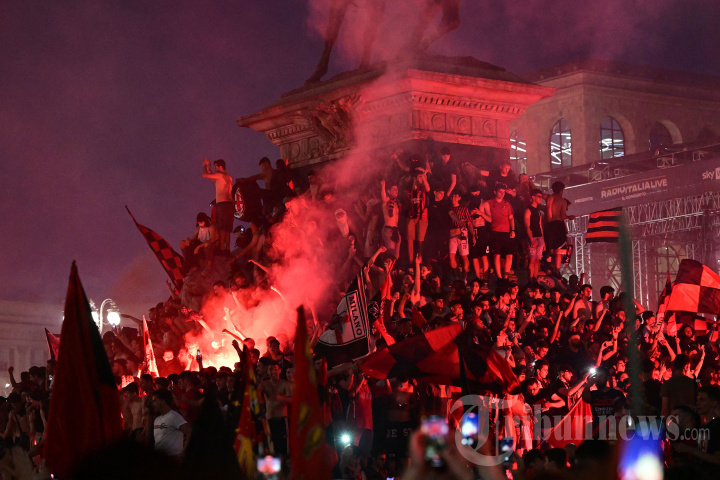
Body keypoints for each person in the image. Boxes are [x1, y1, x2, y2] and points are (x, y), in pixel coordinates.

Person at [258, 362, 293, 456]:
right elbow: (256, 397)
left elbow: (292, 400)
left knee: (283, 447)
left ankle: (283, 463)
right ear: (267, 371)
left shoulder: (286, 384)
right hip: (269, 419)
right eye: (270, 370)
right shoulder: (264, 384)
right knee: (270, 447)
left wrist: (281, 398)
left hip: (281, 419)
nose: (273, 372)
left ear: (279, 370)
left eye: (275, 369)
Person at [481, 183, 515, 279]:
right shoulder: (489, 202)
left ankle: (505, 277)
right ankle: (499, 277)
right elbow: (482, 208)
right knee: (496, 255)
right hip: (495, 232)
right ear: (495, 192)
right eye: (500, 192)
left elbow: (511, 218)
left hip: (507, 232)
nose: (502, 194)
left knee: (509, 255)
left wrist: (513, 230)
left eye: (504, 192)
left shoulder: (507, 203)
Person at [581, 366, 625, 438]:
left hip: (614, 432)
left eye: (601, 376)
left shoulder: (617, 394)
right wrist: (589, 384)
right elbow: (585, 398)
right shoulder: (593, 394)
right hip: (597, 432)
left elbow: (623, 412)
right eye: (597, 376)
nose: (598, 379)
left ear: (607, 378)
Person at [202, 158, 233, 252]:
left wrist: (204, 165)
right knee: (227, 229)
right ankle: (227, 249)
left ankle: (222, 249)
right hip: (230, 205)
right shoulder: (228, 177)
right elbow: (214, 179)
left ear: (220, 167)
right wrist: (209, 168)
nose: (214, 169)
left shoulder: (220, 175)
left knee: (222, 228)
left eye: (215, 167)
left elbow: (205, 175)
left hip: (222, 204)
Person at [544, 181, 575, 276]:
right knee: (559, 250)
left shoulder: (549, 198)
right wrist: (570, 217)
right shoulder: (562, 201)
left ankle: (549, 267)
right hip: (558, 225)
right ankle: (557, 271)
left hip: (548, 225)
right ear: (561, 190)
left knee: (550, 247)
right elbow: (562, 216)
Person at [152, 388, 191, 458]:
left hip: (173, 458)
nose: (153, 404)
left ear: (163, 401)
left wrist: (183, 453)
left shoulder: (174, 416)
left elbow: (190, 433)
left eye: (155, 401)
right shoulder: (157, 420)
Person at [447, 190, 475, 279]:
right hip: (452, 233)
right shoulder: (449, 209)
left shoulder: (464, 209)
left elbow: (469, 223)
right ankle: (457, 277)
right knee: (451, 256)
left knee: (464, 255)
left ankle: (464, 277)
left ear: (459, 198)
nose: (453, 198)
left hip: (462, 233)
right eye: (452, 196)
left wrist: (473, 235)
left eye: (455, 196)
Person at [406, 166, 430, 263]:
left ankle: (419, 261)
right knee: (409, 239)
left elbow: (428, 188)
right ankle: (411, 261)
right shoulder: (410, 189)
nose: (421, 178)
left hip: (422, 217)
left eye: (422, 177)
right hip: (411, 216)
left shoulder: (424, 189)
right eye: (419, 176)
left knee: (420, 241)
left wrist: (424, 176)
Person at [468, 183, 491, 280]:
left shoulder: (484, 203)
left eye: (476, 194)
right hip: (472, 229)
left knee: (483, 255)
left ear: (479, 192)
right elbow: (467, 220)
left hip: (481, 229)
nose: (475, 196)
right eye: (473, 194)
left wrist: (480, 213)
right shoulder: (468, 203)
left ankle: (485, 278)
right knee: (474, 256)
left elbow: (490, 219)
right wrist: (471, 214)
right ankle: (478, 278)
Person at [524, 188, 545, 283]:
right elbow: (527, 226)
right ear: (533, 197)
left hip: (539, 237)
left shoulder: (538, 211)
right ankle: (530, 280)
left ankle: (535, 279)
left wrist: (543, 241)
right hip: (532, 237)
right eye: (539, 196)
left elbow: (540, 226)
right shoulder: (528, 210)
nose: (541, 198)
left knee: (537, 260)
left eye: (541, 197)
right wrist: (531, 239)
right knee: (532, 260)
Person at [380, 179, 401, 260]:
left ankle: (394, 267)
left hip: (395, 230)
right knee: (391, 254)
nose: (396, 191)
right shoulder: (387, 201)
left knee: (396, 256)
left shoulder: (396, 202)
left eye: (397, 189)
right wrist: (383, 186)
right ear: (389, 191)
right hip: (388, 230)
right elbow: (383, 198)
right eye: (394, 189)